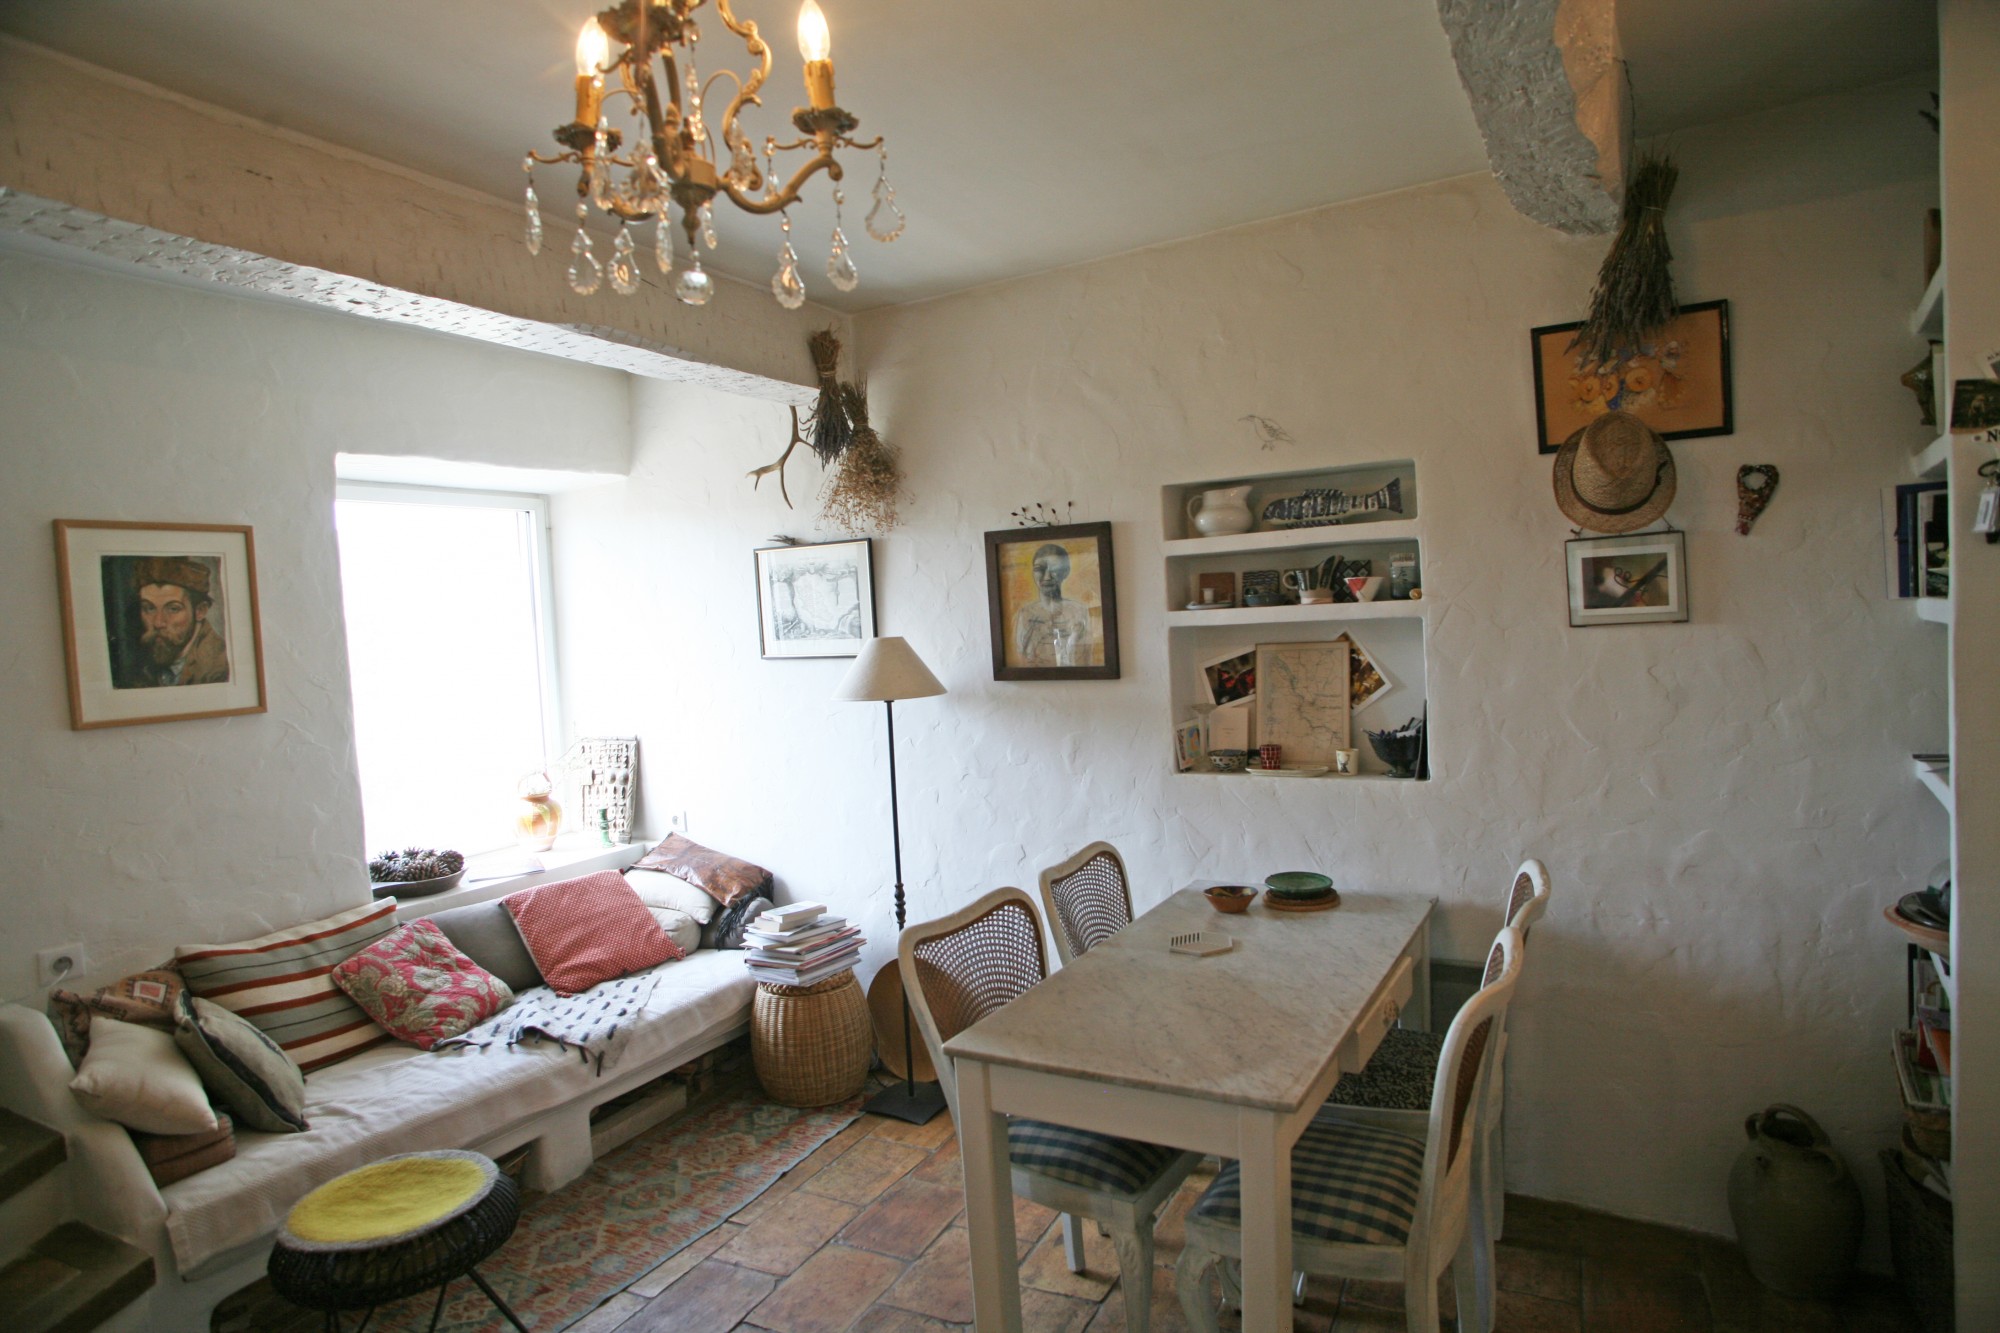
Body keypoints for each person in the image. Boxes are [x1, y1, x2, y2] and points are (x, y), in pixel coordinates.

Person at [121, 556, 230, 687]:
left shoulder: (218, 667)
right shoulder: (143, 663)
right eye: (149, 608)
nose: (158, 622)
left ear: (200, 611)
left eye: (173, 609)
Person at [1013, 542, 1092, 667]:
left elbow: (1086, 659)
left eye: (1055, 570)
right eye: (1039, 569)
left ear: (1066, 572)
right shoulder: (1025, 613)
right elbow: (1021, 658)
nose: (1047, 577)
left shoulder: (1079, 611)